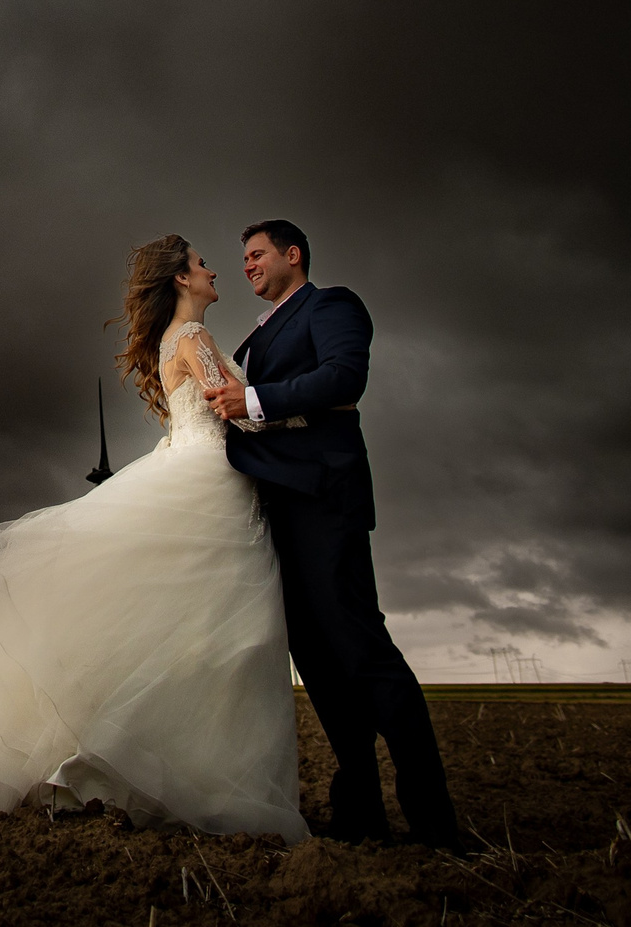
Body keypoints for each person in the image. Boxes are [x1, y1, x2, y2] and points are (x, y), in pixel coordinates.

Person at [0, 234, 305, 841]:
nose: (214, 271)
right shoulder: (192, 338)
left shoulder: (171, 343)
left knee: (180, 636)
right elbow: (232, 407)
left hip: (188, 469)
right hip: (210, 486)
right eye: (201, 264)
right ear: (181, 281)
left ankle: (125, 767)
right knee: (218, 638)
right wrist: (309, 415)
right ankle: (170, 775)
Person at [205, 218, 459, 848]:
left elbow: (346, 377)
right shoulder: (256, 335)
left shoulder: (331, 305)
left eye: (257, 254)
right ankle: (361, 809)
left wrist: (254, 402)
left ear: (294, 255)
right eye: (242, 259)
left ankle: (432, 817)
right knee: (316, 660)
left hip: (325, 500)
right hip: (278, 508)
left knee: (360, 647)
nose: (247, 266)